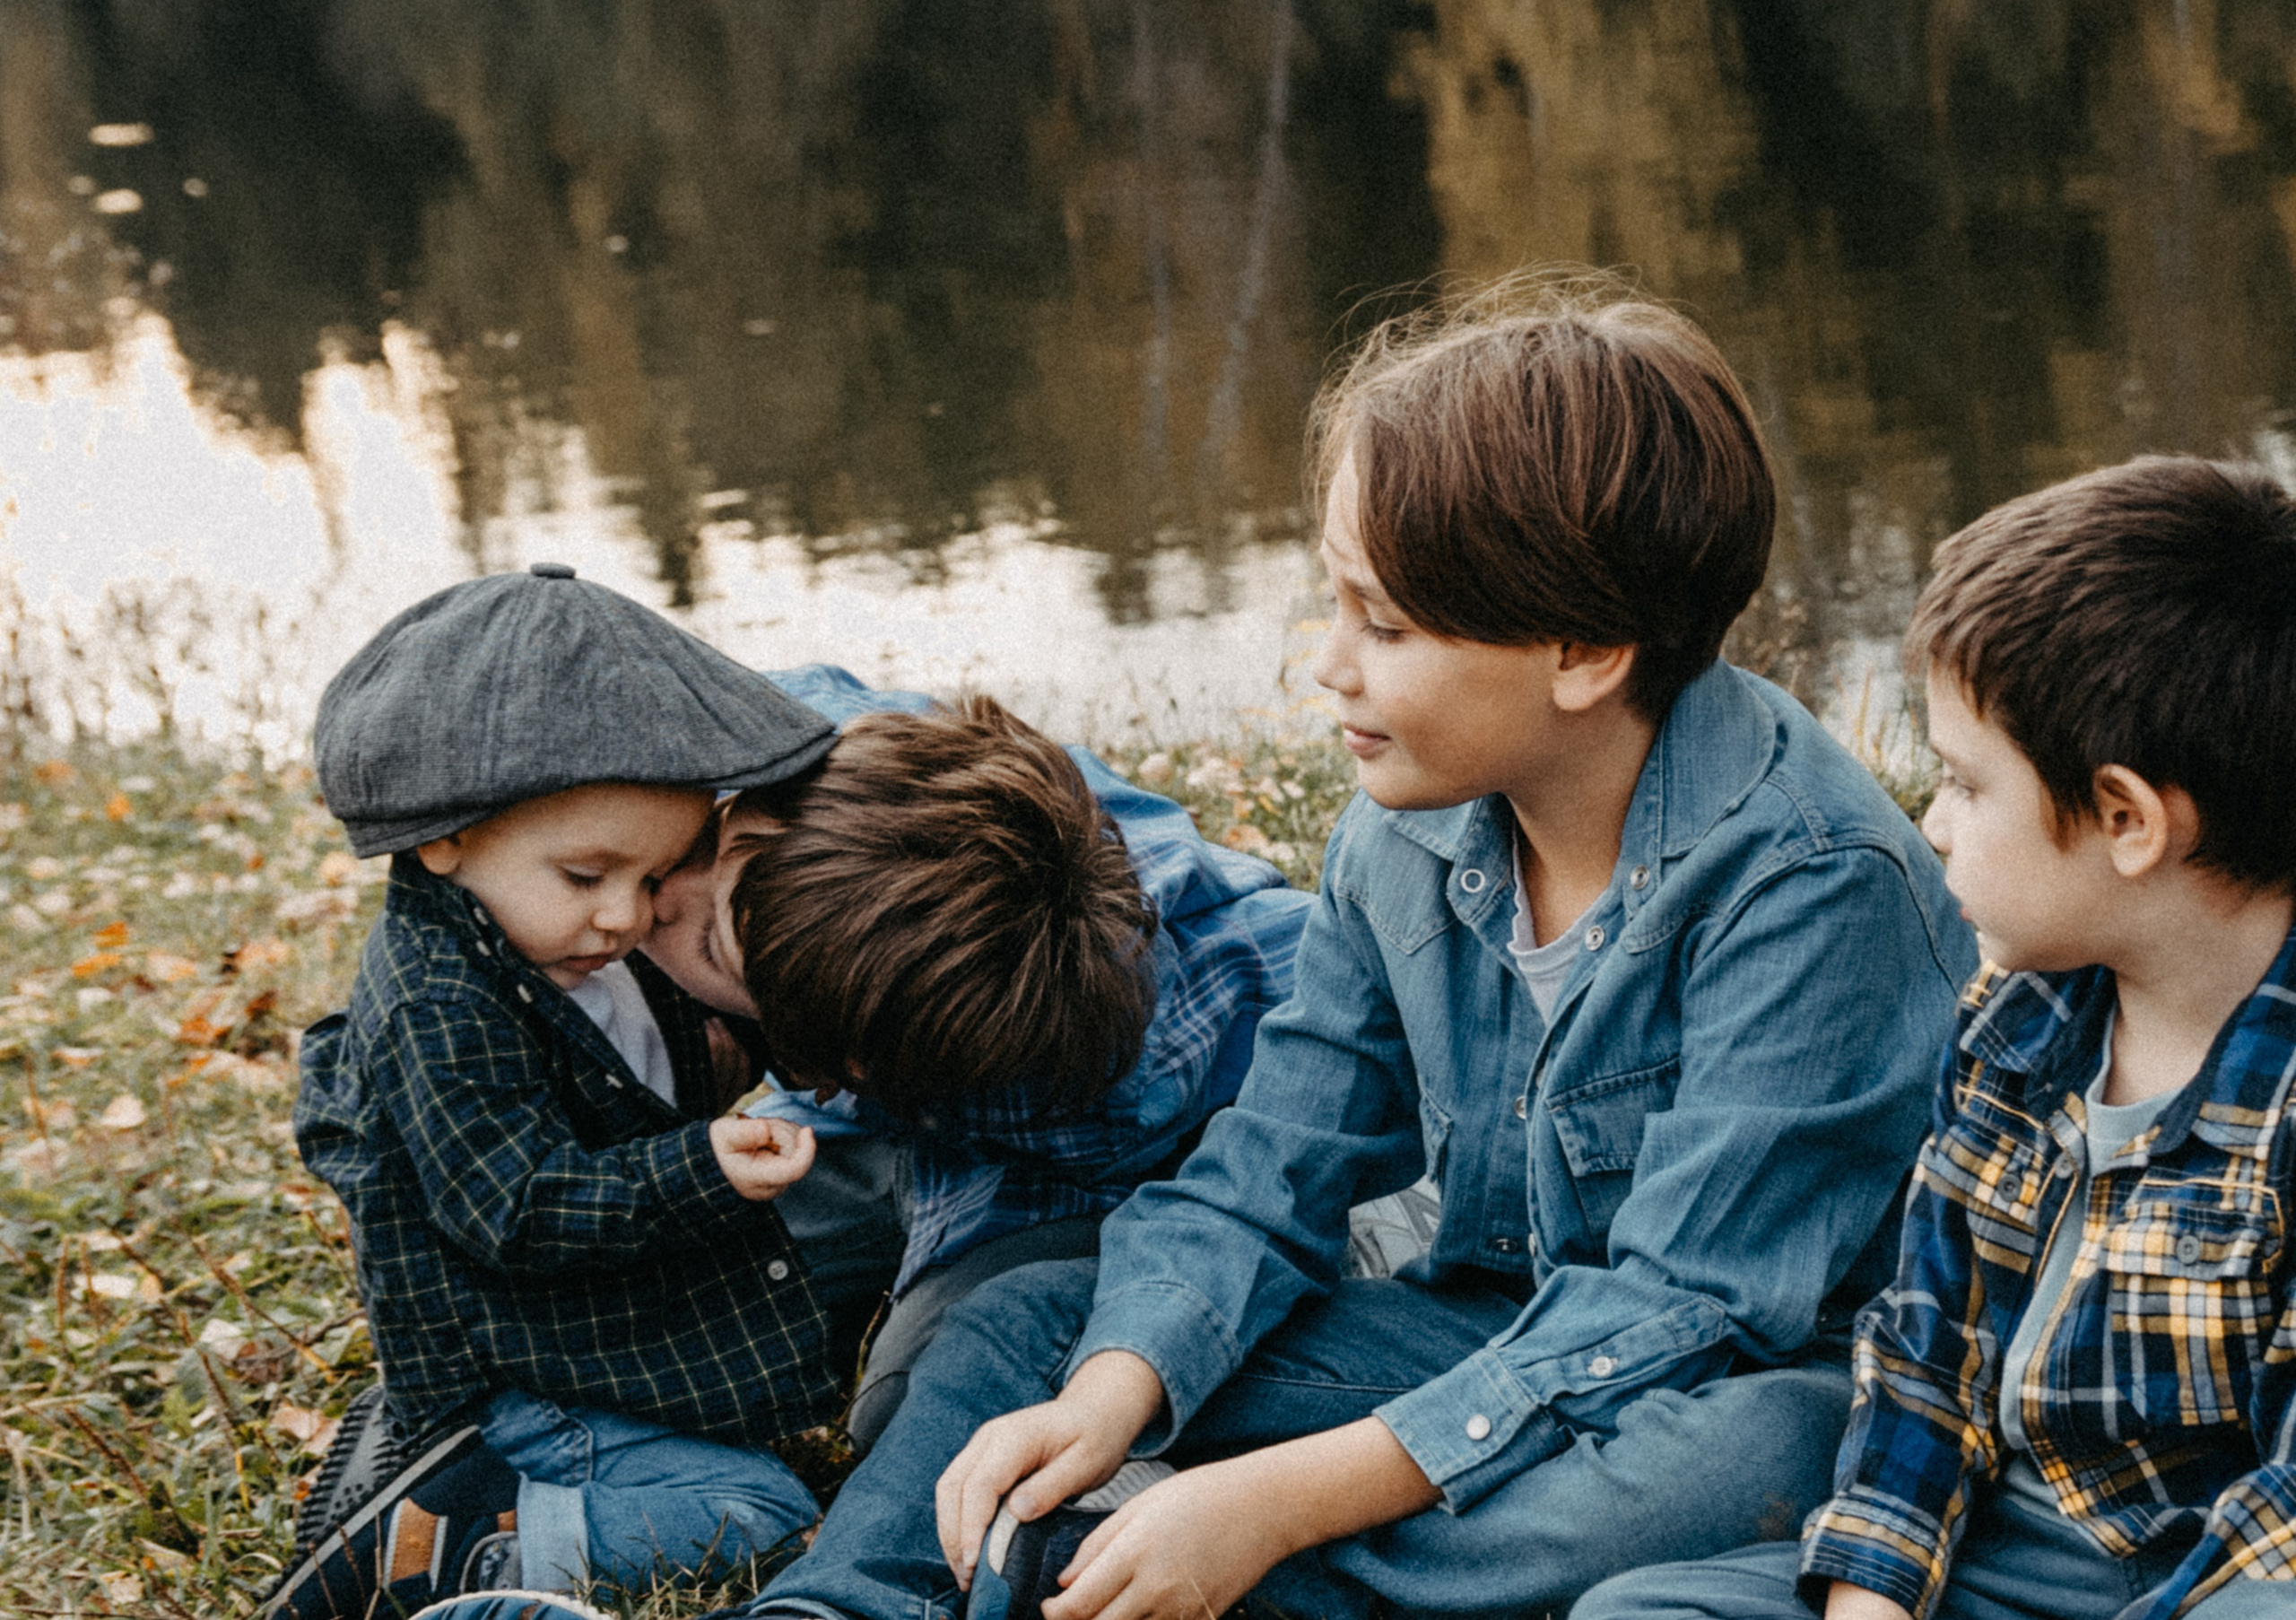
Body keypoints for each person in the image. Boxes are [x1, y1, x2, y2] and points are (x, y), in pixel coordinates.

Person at [739, 280, 1978, 1620]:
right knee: (1037, 1323)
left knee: (1760, 1452)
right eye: (1335, 605)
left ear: (1583, 650)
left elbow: (1677, 1315)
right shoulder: (1405, 833)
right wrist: (1114, 1389)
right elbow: (1275, 1163)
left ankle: (1163, 1571)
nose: (1329, 665)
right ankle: (841, 1604)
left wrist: (1270, 1500)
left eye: (1382, 624)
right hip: (1483, 1334)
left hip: (1736, 1379)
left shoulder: (1807, 883)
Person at [1576, 457, 2296, 1620]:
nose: (1933, 821)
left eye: (1965, 784)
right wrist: (1875, 1601)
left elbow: (2283, 1521)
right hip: (2019, 1536)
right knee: (1641, 1612)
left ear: (2126, 820)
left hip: (2211, 1573)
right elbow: (1929, 1352)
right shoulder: (2015, 1021)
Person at [269, 564, 845, 1618]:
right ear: (443, 835)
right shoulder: (442, 1008)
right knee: (766, 1516)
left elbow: (659, 1056)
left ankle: (443, 1471)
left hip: (579, 1337)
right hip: (522, 1372)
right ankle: (456, 1534)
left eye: (656, 875)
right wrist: (696, 1169)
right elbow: (515, 1207)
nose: (626, 916)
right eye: (588, 877)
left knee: (762, 1433)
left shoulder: (564, 944)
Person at [637, 664, 1314, 1450]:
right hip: (899, 1110)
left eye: (708, 945)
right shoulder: (848, 766)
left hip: (1082, 1178)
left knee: (913, 1413)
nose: (650, 894)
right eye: (709, 838)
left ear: (843, 1064)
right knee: (638, 1278)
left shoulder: (1136, 1068)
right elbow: (799, 700)